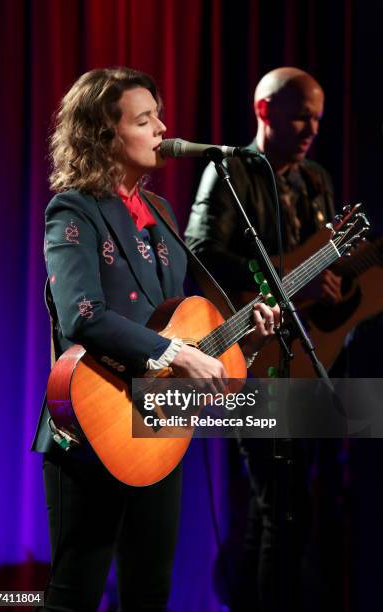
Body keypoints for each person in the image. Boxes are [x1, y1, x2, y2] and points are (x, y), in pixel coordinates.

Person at [31, 67, 279, 612]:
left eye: (158, 117)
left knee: (150, 593)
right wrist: (174, 353)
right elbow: (83, 316)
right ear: (103, 134)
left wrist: (245, 336)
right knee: (75, 594)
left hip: (157, 426)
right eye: (145, 120)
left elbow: (184, 327)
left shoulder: (163, 215)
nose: (163, 130)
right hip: (91, 424)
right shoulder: (73, 209)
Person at [185, 67, 343, 611]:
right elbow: (201, 256)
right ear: (263, 111)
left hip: (302, 362)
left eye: (318, 118)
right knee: (282, 501)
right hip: (251, 354)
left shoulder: (315, 181)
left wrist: (330, 286)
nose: (311, 128)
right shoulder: (230, 169)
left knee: (278, 505)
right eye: (301, 115)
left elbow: (326, 267)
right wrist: (286, 280)